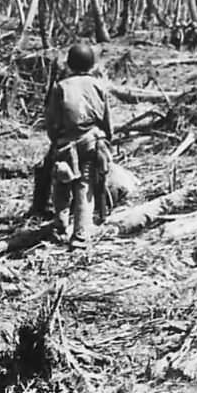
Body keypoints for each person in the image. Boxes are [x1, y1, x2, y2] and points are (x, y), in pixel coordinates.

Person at [45, 42, 113, 249]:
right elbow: (106, 118)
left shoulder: (61, 87)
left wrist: (56, 141)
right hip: (92, 140)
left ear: (70, 64)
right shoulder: (99, 85)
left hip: (67, 143)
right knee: (85, 185)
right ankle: (81, 234)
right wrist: (107, 139)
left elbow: (51, 121)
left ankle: (61, 224)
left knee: (62, 183)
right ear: (92, 64)